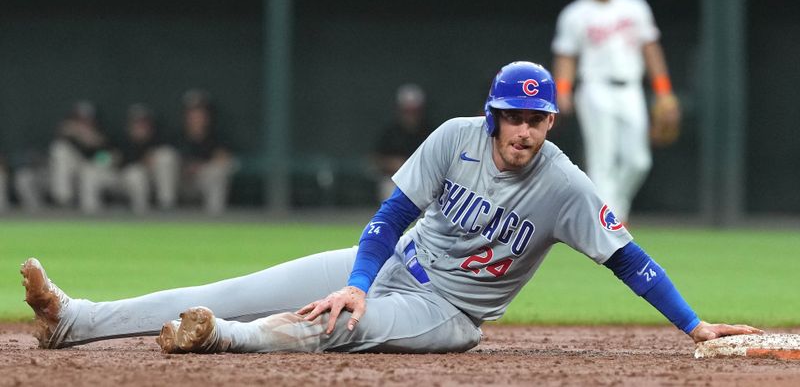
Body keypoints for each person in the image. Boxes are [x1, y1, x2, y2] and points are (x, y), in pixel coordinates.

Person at [21, 61, 759, 355]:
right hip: (393, 266)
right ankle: (75, 320)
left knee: (338, 325)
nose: (525, 131)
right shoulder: (451, 139)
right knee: (229, 289)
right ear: (493, 114)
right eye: (514, 117)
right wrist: (362, 274)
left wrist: (694, 323)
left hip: (446, 312)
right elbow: (389, 216)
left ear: (551, 123)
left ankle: (221, 342)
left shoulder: (565, 185)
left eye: (537, 120)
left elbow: (629, 258)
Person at [551, 0, 680, 224]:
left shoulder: (635, 7)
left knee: (639, 161)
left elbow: (651, 50)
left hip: (631, 88)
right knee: (602, 162)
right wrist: (563, 90)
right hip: (594, 89)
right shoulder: (575, 14)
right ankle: (610, 223)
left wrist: (664, 90)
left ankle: (615, 210)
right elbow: (566, 56)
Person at [80, 104, 179, 215]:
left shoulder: (156, 140)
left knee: (136, 173)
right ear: (130, 124)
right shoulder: (119, 137)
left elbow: (168, 152)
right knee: (89, 171)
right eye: (137, 122)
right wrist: (108, 159)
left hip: (138, 180)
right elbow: (98, 157)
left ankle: (143, 214)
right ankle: (90, 214)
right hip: (115, 176)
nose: (140, 126)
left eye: (144, 123)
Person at [176, 90, 235, 214]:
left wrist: (200, 167)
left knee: (219, 170)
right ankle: (165, 212)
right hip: (179, 182)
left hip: (202, 181)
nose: (196, 117)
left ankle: (214, 217)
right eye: (192, 112)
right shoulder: (175, 136)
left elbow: (224, 158)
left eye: (200, 112)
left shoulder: (218, 137)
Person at [374, 84, 432, 202]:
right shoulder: (390, 132)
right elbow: (375, 159)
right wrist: (394, 163)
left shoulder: (430, 130)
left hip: (424, 180)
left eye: (414, 111)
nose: (410, 115)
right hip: (395, 180)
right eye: (407, 111)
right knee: (389, 190)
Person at [48, 101, 111, 209]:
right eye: (79, 118)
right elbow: (59, 146)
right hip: (72, 170)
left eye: (86, 118)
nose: (83, 122)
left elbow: (106, 159)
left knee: (89, 172)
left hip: (96, 170)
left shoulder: (102, 134)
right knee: (59, 149)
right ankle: (64, 199)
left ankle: (91, 214)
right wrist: (78, 134)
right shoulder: (68, 133)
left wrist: (94, 142)